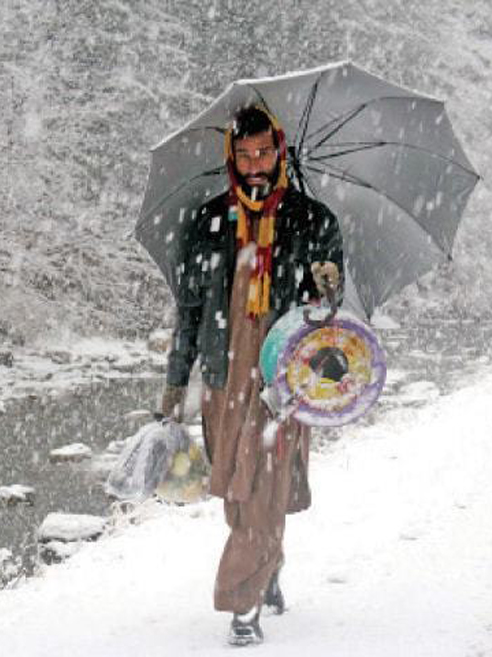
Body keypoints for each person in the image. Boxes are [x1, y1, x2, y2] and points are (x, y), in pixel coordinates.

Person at [159, 104, 343, 646]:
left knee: (260, 484)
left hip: (281, 379)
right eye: (244, 155)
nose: (255, 164)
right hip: (223, 378)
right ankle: (269, 563)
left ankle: (244, 604)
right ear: (231, 159)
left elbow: (327, 314)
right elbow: (190, 311)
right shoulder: (209, 222)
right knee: (237, 491)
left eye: (264, 153)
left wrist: (326, 285)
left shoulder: (312, 220)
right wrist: (175, 386)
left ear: (279, 152)